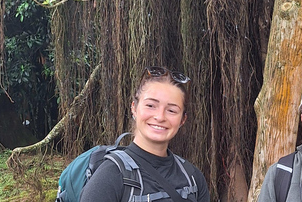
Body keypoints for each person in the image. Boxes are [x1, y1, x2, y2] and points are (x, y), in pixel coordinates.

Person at [80, 66, 210, 202]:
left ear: (183, 119)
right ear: (134, 108)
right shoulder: (111, 175)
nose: (160, 117)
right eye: (150, 105)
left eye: (171, 110)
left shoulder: (193, 178)